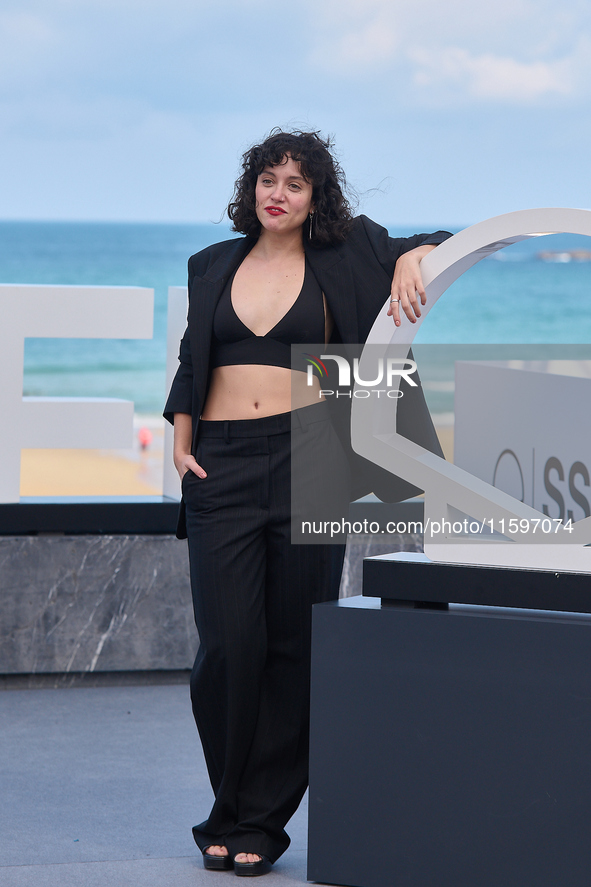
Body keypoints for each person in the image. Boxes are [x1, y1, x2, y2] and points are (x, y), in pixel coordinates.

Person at [164, 129, 451, 876]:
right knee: (227, 646)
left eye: (295, 183)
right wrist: (181, 434)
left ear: (315, 196)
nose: (278, 193)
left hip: (311, 447)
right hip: (218, 466)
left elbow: (434, 240)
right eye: (268, 178)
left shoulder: (346, 251)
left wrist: (414, 256)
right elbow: (197, 354)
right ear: (250, 188)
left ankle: (258, 820)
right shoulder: (213, 264)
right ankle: (227, 801)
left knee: (294, 642)